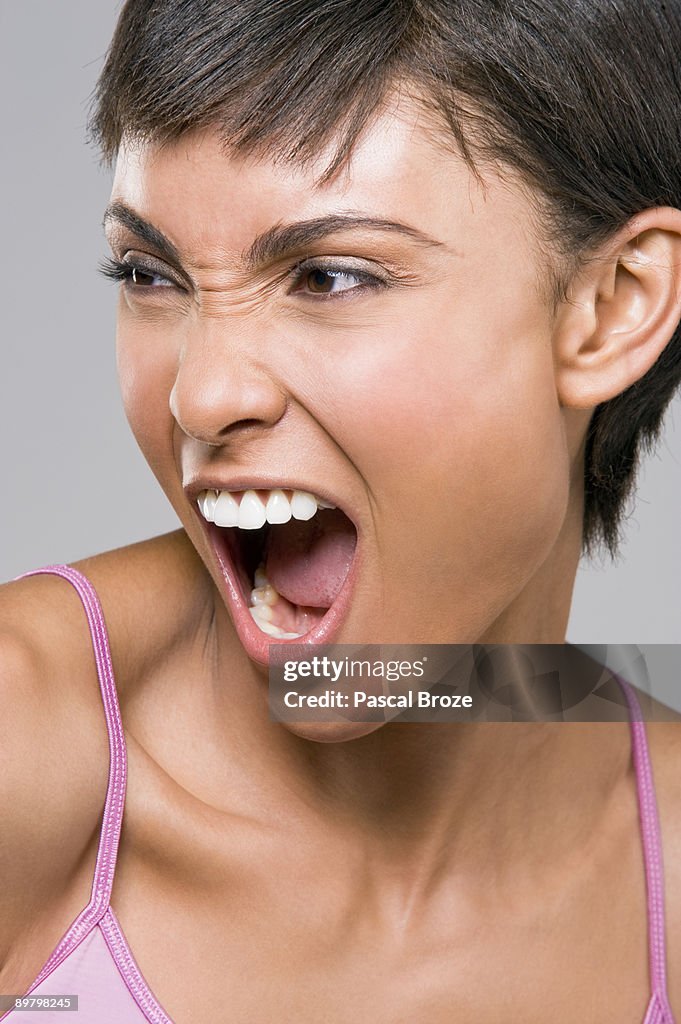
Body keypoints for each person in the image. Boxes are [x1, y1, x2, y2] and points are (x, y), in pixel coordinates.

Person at [1, 0, 680, 1021]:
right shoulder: (29, 748)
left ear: (613, 306)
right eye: (150, 274)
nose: (201, 393)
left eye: (329, 275)